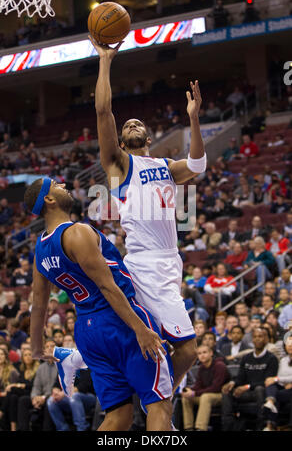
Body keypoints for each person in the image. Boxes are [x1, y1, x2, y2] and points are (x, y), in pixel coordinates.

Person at [79, 36, 206, 394]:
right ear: (120, 142)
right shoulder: (120, 165)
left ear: (149, 137)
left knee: (165, 348)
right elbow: (103, 111)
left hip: (169, 264)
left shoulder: (165, 165)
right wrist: (105, 59)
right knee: (188, 349)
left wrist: (193, 119)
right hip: (143, 265)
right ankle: (159, 405)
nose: (132, 123)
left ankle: (152, 401)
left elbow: (197, 164)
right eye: (127, 126)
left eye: (138, 123)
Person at [24, 178, 173, 431]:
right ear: (48, 200)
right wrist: (139, 329)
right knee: (159, 403)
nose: (63, 185)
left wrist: (37, 348)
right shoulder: (77, 232)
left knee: (119, 416)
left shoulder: (40, 249)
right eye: (56, 186)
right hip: (120, 320)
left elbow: (38, 306)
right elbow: (107, 286)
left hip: (87, 330)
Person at [221, 328, 278, 431]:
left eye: (260, 336)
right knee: (227, 391)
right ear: (252, 340)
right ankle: (228, 426)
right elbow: (240, 378)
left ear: (266, 339)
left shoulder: (271, 358)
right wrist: (232, 383)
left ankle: (261, 426)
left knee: (259, 389)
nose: (257, 339)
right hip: (245, 393)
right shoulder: (246, 358)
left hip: (261, 392)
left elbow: (268, 381)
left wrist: (247, 387)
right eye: (255, 337)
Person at [181, 344, 230, 431]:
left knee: (205, 397)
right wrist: (190, 391)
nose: (202, 355)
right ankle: (188, 427)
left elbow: (216, 388)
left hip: (222, 396)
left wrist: (195, 393)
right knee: (186, 398)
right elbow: (198, 385)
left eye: (204, 352)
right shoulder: (202, 368)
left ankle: (200, 428)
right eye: (199, 353)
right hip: (207, 395)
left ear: (211, 353)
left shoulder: (220, 365)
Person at [263, 335, 292, 430]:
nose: (290, 346)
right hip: (284, 387)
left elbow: (280, 378)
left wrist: (277, 379)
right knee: (271, 384)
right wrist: (278, 380)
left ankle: (271, 424)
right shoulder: (284, 360)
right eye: (288, 344)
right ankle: (270, 402)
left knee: (277, 391)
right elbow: (280, 376)